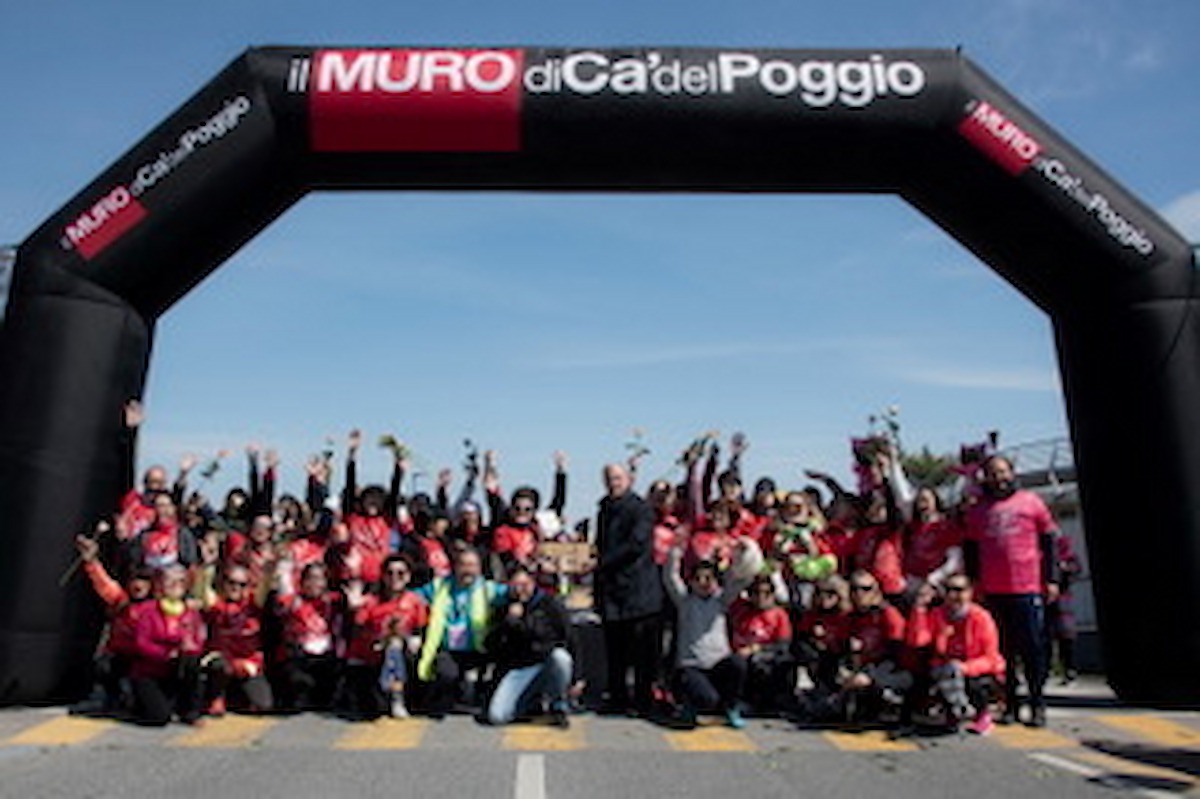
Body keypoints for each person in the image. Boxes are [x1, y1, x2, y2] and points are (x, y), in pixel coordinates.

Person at [964, 455, 1059, 727]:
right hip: (992, 591)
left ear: (1012, 472)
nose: (999, 478)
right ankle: (1010, 704)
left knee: (1032, 649)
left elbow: (1050, 541)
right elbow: (970, 550)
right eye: (993, 473)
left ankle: (1037, 703)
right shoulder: (978, 510)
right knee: (1002, 652)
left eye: (1003, 472)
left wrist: (1050, 579)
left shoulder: (1032, 501)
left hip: (1026, 588)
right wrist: (974, 583)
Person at [663, 538, 763, 729]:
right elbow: (670, 576)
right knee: (707, 700)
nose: (703, 583)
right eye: (698, 578)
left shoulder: (721, 600)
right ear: (690, 581)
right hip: (692, 666)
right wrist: (676, 551)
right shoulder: (684, 602)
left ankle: (731, 708)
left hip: (718, 664)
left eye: (708, 578)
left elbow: (742, 578)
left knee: (738, 664)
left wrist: (742, 552)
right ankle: (689, 705)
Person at [594, 463, 662, 717]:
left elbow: (636, 544)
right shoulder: (603, 509)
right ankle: (618, 698)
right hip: (612, 592)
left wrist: (601, 563)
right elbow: (599, 544)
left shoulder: (641, 508)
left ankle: (644, 701)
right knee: (615, 650)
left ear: (630, 479)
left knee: (643, 653)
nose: (614, 482)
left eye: (618, 478)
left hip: (639, 591)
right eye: (609, 478)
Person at [414, 546, 509, 717]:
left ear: (479, 569)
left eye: (472, 566)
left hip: (477, 650)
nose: (468, 570)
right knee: (446, 675)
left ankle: (469, 693)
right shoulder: (439, 586)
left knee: (472, 691)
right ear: (455, 567)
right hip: (448, 649)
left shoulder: (489, 589)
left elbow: (517, 592)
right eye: (463, 565)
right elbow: (412, 597)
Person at [484, 565, 573, 727]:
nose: (520, 591)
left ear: (533, 584)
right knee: (498, 716)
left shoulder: (549, 603)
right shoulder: (502, 606)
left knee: (561, 658)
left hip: (546, 663)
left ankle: (558, 706)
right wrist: (507, 622)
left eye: (524, 585)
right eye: (515, 586)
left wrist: (578, 678)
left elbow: (567, 637)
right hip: (519, 668)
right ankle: (530, 702)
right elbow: (491, 644)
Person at [344, 555, 428, 719]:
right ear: (382, 576)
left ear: (408, 576)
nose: (395, 578)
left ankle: (398, 697)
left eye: (400, 573)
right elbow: (358, 631)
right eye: (389, 573)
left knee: (396, 645)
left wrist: (407, 638)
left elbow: (419, 630)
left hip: (402, 653)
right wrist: (354, 609)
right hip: (373, 654)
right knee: (371, 710)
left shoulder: (415, 601)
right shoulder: (370, 602)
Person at [925, 575, 1005, 735]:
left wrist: (964, 668)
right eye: (949, 590)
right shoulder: (937, 614)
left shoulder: (981, 617)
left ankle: (983, 714)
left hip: (978, 669)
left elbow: (991, 657)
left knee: (976, 683)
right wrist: (919, 608)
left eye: (959, 590)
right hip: (946, 667)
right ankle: (951, 713)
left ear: (969, 593)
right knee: (932, 674)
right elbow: (918, 640)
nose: (954, 595)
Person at [129, 565, 206, 726]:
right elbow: (141, 643)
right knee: (159, 718)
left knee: (192, 663)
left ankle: (190, 711)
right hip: (149, 671)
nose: (176, 585)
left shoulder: (191, 613)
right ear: (160, 585)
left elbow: (198, 642)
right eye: (170, 581)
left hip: (175, 670)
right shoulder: (148, 611)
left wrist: (189, 647)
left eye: (180, 581)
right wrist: (165, 653)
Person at [201, 564, 273, 716]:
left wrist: (269, 570)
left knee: (263, 705)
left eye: (242, 584)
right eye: (231, 582)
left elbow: (265, 587)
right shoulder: (217, 605)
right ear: (223, 584)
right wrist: (207, 567)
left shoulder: (253, 604)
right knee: (219, 666)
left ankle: (234, 697)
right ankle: (216, 697)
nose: (236, 588)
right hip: (223, 662)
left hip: (248, 663)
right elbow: (202, 588)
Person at [729, 574, 794, 713]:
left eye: (766, 593)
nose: (761, 597)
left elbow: (783, 645)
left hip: (766, 653)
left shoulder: (779, 615)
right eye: (756, 593)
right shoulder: (742, 612)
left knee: (775, 663)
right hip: (741, 653)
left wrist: (756, 649)